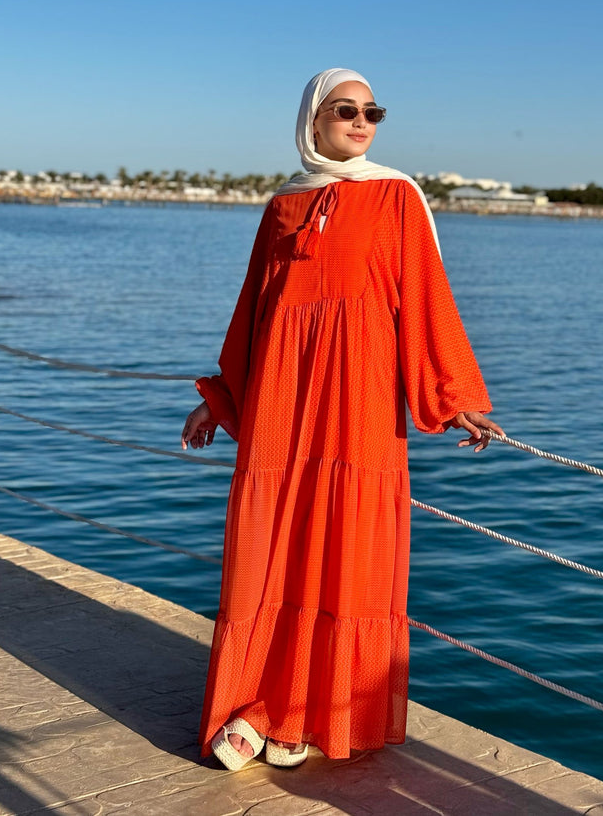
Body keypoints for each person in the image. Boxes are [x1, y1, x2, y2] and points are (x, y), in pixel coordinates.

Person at [181, 68, 503, 771]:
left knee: (340, 547)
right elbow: (253, 314)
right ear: (313, 120)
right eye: (344, 110)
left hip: (356, 409)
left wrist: (456, 396)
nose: (361, 121)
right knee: (270, 550)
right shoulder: (282, 207)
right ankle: (255, 699)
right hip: (280, 407)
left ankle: (302, 711)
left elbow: (424, 300)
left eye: (371, 111)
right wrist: (221, 395)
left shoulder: (396, 196)